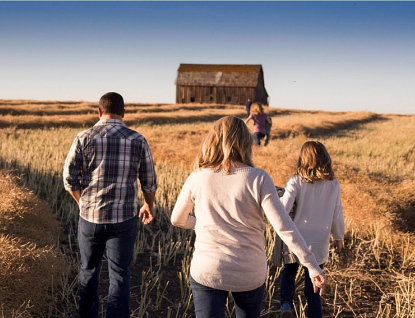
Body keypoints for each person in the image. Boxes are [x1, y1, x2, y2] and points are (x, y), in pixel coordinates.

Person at [170, 116, 326, 318]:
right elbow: (283, 227)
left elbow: (177, 219)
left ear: (213, 140)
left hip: (208, 270)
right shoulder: (259, 178)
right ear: (246, 142)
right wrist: (312, 266)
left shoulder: (198, 176)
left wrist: (204, 224)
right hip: (249, 272)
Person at [63, 92, 157, 318]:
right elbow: (149, 181)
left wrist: (82, 202)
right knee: (120, 275)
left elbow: (69, 179)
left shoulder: (83, 137)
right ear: (123, 113)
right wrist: (148, 205)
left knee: (88, 271)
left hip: (90, 219)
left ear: (99, 111)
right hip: (124, 220)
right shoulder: (137, 139)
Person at [279, 141, 344, 318]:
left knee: (289, 270)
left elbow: (283, 208)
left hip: (297, 239)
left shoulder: (295, 180)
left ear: (303, 158)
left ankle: (286, 303)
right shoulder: (333, 184)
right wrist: (338, 237)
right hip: (320, 241)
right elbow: (337, 213)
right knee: (314, 287)